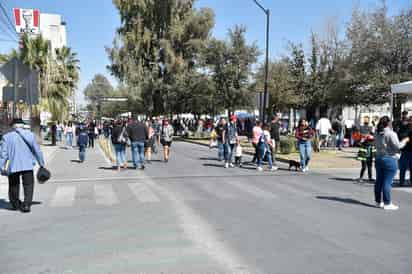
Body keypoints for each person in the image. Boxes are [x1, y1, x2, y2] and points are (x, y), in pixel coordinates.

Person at [0, 119, 45, 213]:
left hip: (13, 165)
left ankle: (15, 204)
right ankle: (26, 205)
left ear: (13, 126)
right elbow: (37, 150)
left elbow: (3, 154)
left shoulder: (7, 137)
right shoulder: (30, 135)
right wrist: (41, 163)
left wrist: (1, 166)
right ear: (22, 126)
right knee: (28, 185)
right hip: (27, 165)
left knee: (13, 185)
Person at [375, 116, 409, 210]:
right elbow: (398, 146)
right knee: (387, 182)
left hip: (379, 158)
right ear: (389, 123)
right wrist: (405, 141)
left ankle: (378, 201)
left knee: (379, 181)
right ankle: (387, 203)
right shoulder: (391, 133)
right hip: (389, 158)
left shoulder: (377, 132)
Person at [398, 117, 412, 186]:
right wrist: (406, 137)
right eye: (410, 120)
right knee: (403, 168)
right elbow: (400, 136)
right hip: (405, 151)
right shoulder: (404, 128)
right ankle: (401, 182)